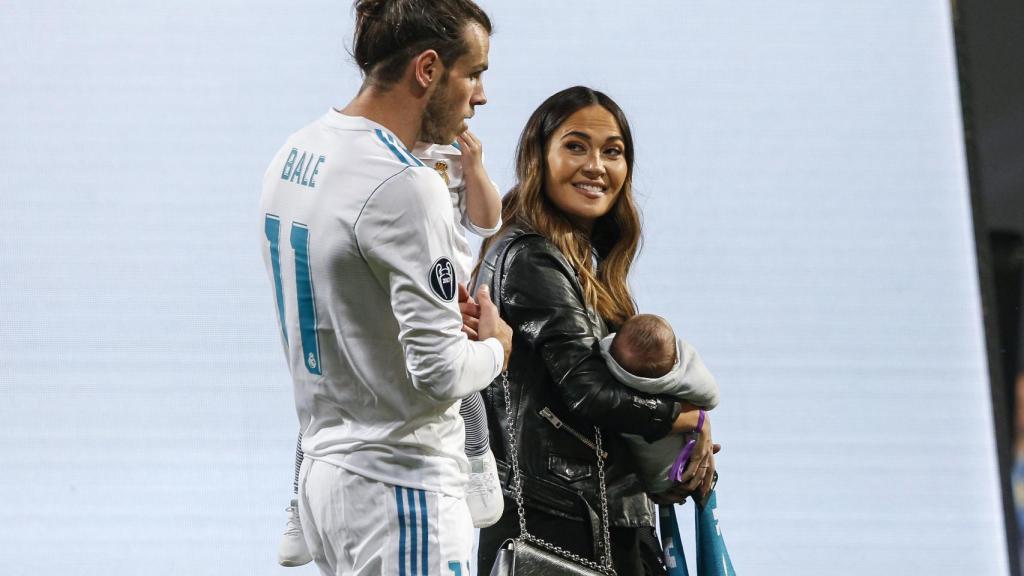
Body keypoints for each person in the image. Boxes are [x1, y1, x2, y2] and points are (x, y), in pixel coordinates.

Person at [258, 0, 513, 574]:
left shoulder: (295, 153)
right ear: (428, 69)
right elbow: (442, 373)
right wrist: (498, 346)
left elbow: (348, 305)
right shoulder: (407, 184)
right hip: (403, 493)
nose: (481, 96)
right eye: (473, 74)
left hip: (326, 480)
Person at [472, 86, 718, 575]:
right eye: (575, 146)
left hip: (581, 520)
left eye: (613, 152)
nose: (596, 166)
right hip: (563, 526)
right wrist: (684, 417)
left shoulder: (575, 259)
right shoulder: (532, 257)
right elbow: (589, 391)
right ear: (538, 157)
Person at [277, 130, 506, 566]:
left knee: (459, 388)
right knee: (328, 397)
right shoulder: (362, 157)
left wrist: (474, 167)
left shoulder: (449, 153)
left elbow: (487, 222)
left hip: (438, 297)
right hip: (373, 296)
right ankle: (298, 503)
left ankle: (478, 464)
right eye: (470, 89)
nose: (478, 100)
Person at [602, 313, 719, 495]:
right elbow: (711, 397)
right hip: (670, 470)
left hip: (632, 468)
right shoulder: (678, 379)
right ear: (675, 360)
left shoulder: (606, 361)